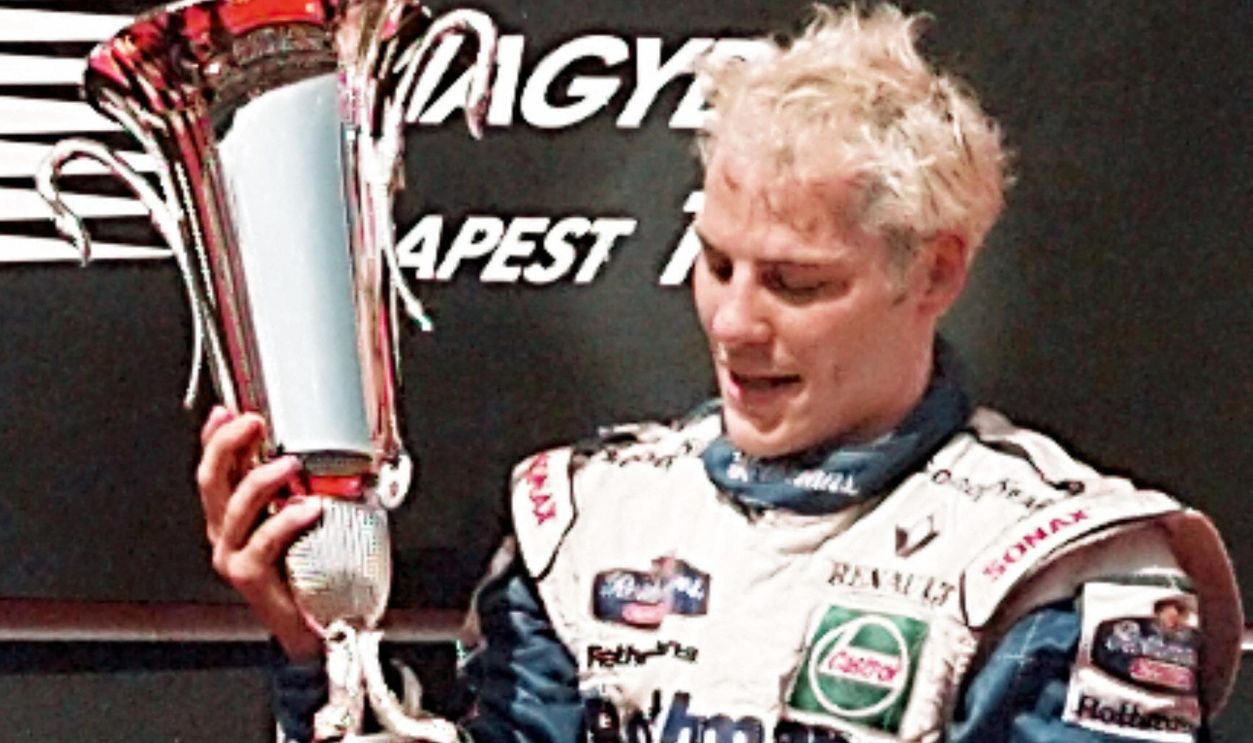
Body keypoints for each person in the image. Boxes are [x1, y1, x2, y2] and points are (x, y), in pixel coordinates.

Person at [196, 4, 1242, 742]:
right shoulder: (587, 517)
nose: (735, 322)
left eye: (794, 282)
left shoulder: (1072, 568)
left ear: (932, 270)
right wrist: (317, 649)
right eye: (714, 262)